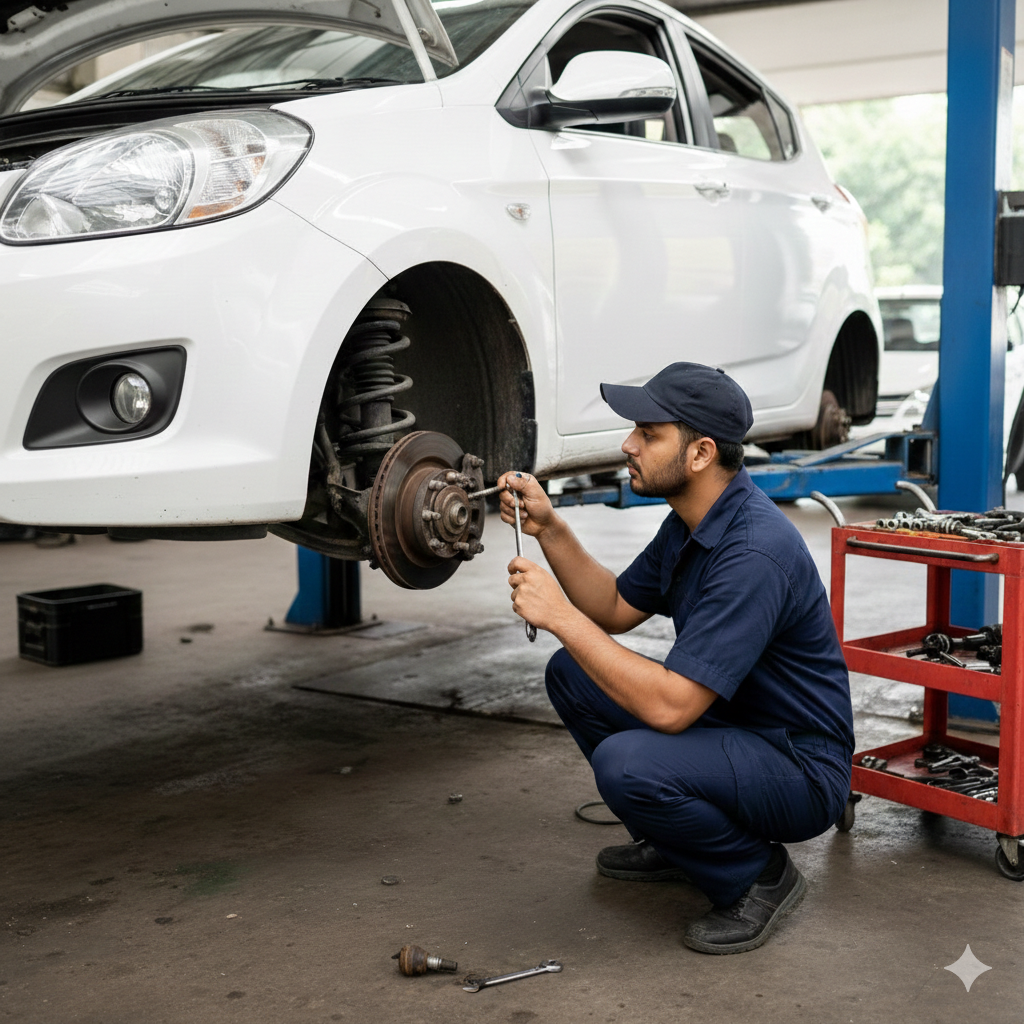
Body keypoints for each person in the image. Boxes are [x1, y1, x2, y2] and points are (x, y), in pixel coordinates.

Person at [497, 362, 853, 955]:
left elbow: (670, 707)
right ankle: (677, 838)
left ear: (700, 453)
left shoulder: (752, 552)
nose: (628, 444)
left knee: (628, 764)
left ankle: (757, 875)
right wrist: (549, 528)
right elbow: (613, 606)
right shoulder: (692, 522)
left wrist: (558, 615)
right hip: (738, 726)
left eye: (649, 433)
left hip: (800, 765)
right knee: (572, 673)